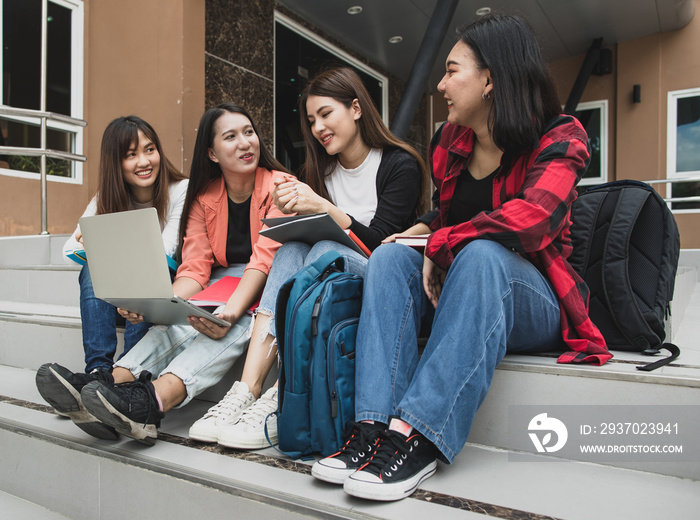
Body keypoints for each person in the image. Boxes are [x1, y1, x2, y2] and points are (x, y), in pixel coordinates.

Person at [310, 14, 613, 501]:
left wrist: (444, 241)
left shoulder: (561, 136)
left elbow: (532, 220)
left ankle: (418, 436)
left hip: (533, 298)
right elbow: (446, 214)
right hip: (459, 288)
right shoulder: (450, 142)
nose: (440, 83)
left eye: (452, 70)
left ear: (490, 79)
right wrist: (417, 235)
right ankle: (370, 429)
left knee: (483, 255)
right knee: (389, 260)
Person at [187, 67, 427, 450]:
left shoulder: (399, 163)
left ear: (356, 109)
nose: (318, 128)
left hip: (380, 281)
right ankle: (247, 389)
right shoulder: (321, 170)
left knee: (325, 250)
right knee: (294, 249)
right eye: (312, 120)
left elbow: (383, 245)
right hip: (326, 284)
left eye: (326, 114)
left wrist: (322, 207)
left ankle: (287, 394)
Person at [37, 103, 289, 444]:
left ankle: (152, 402)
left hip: (270, 283)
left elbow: (263, 261)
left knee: (233, 323)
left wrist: (228, 310)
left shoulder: (281, 186)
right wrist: (162, 304)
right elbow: (196, 269)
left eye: (249, 132)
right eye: (231, 136)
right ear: (212, 153)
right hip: (222, 281)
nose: (246, 142)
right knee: (177, 323)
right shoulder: (204, 197)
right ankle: (108, 384)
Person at [36, 116, 188, 438]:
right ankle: (98, 373)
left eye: (150, 149)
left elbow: (167, 248)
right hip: (117, 296)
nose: (144, 161)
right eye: (131, 154)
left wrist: (109, 244)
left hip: (162, 286)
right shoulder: (106, 197)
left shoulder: (179, 190)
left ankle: (127, 382)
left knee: (134, 263)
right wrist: (92, 243)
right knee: (92, 263)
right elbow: (68, 249)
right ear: (115, 163)